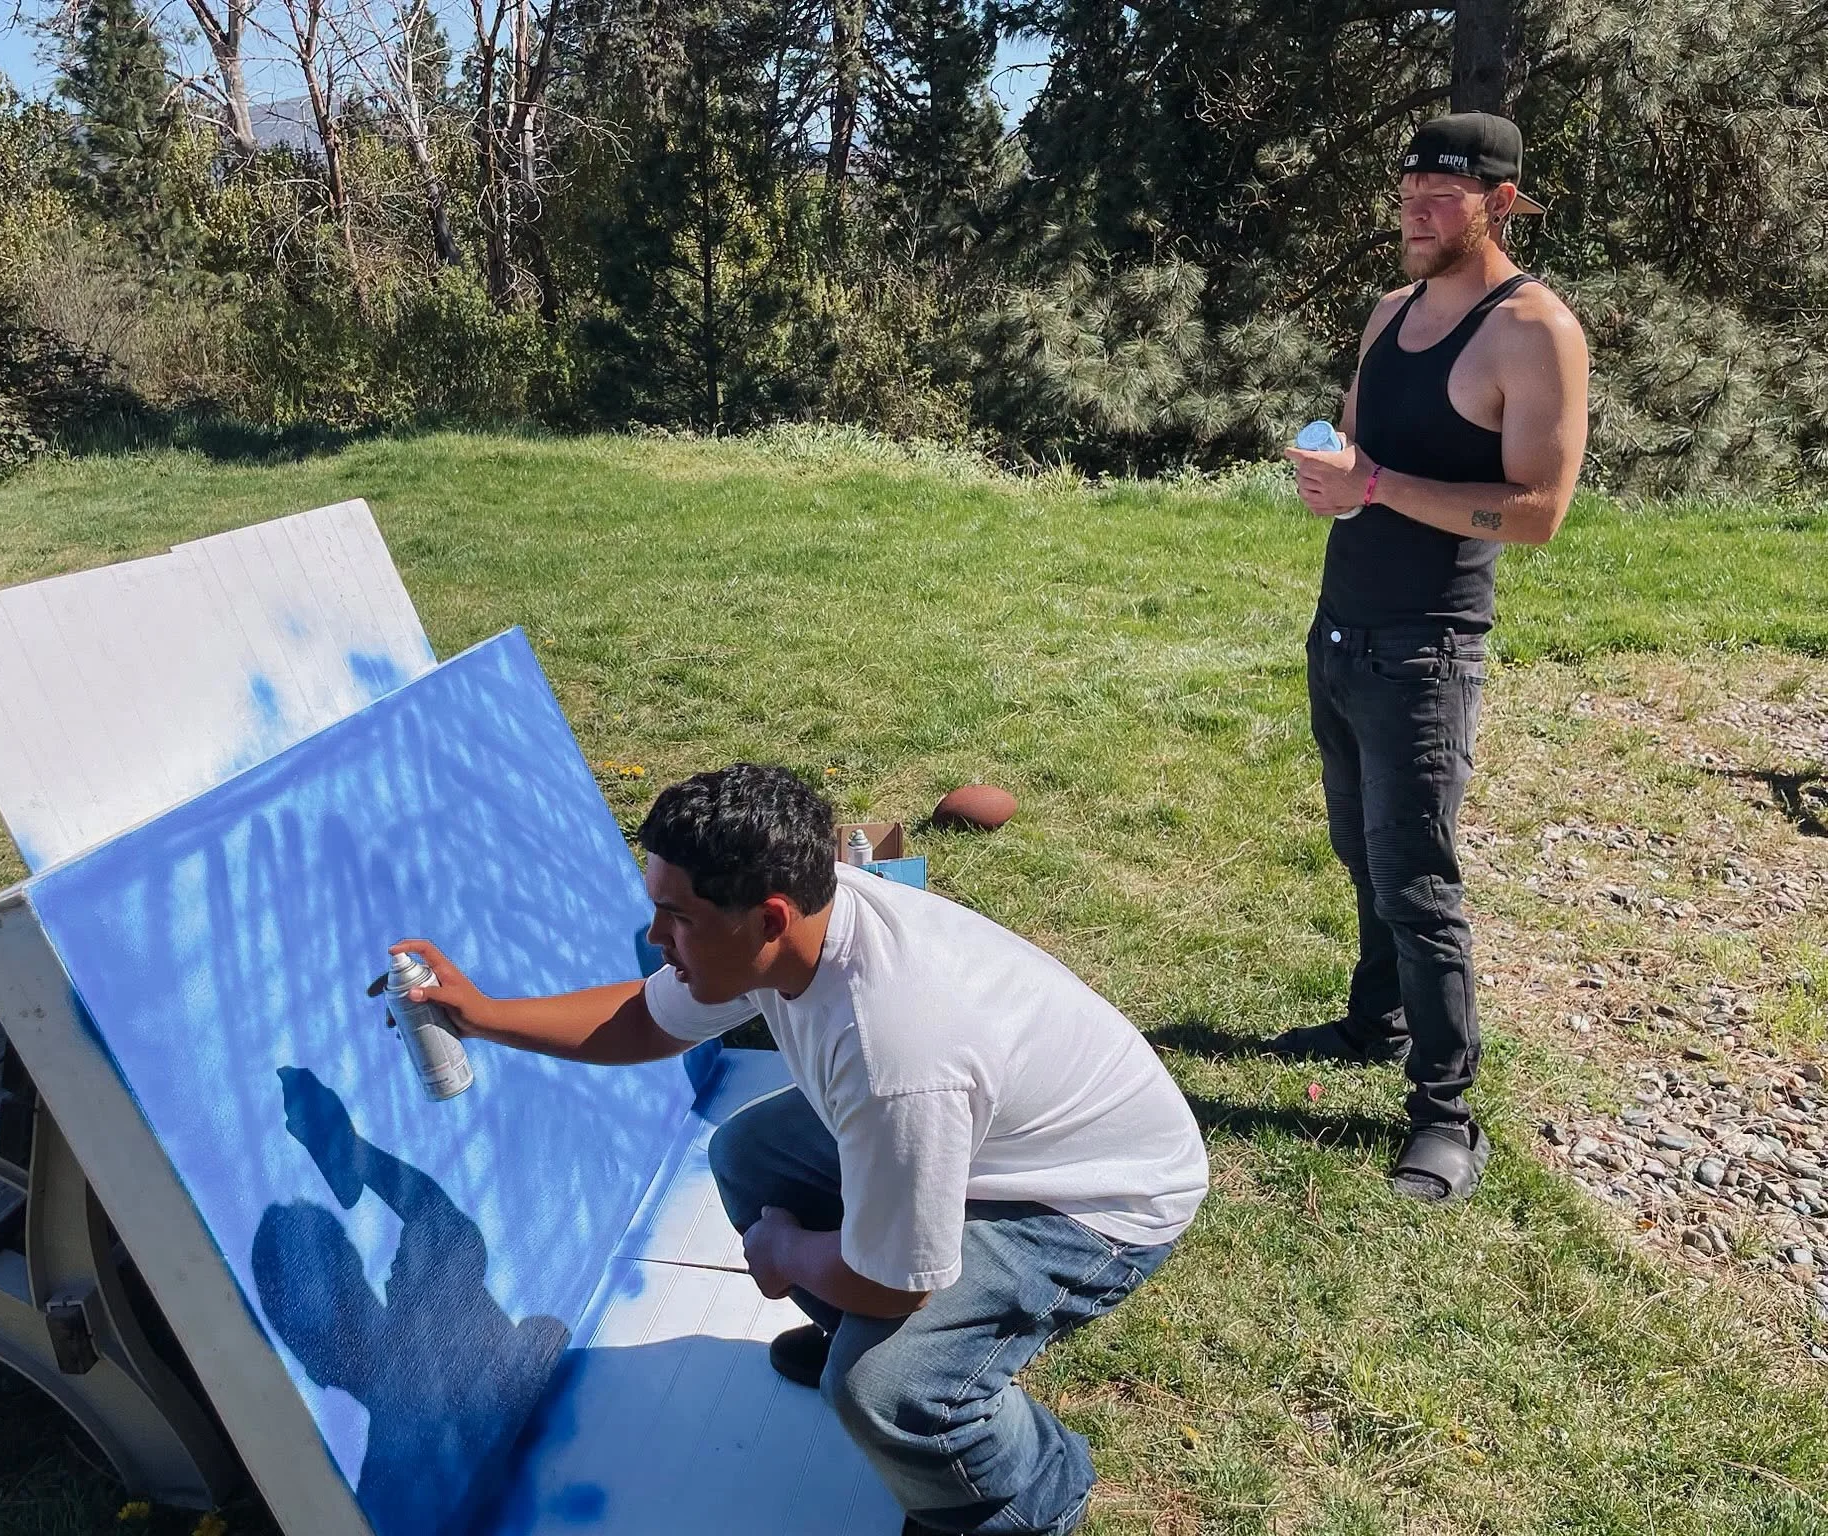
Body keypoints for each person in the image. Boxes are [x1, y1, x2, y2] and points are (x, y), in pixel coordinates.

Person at [393, 762, 1208, 1536]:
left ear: (769, 918)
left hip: (1097, 1200)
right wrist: (482, 1014)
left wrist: (786, 1249)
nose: (655, 935)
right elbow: (645, 1019)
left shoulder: (894, 1056)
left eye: (677, 917)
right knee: (749, 1158)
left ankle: (1035, 1496)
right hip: (997, 1130)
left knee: (882, 1389)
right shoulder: (785, 924)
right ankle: (865, 1339)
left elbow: (896, 1289)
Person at [1276, 112, 1590, 1203]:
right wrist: (1330, 463)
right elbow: (1365, 446)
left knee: (1417, 880)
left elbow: (1538, 512)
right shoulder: (1387, 311)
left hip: (1428, 648)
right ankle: (1377, 1019)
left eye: (1438, 197)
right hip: (1341, 623)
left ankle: (1445, 1112)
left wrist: (1370, 488)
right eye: (1404, 191)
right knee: (1360, 855)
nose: (1412, 213)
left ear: (1499, 203)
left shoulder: (1534, 332)